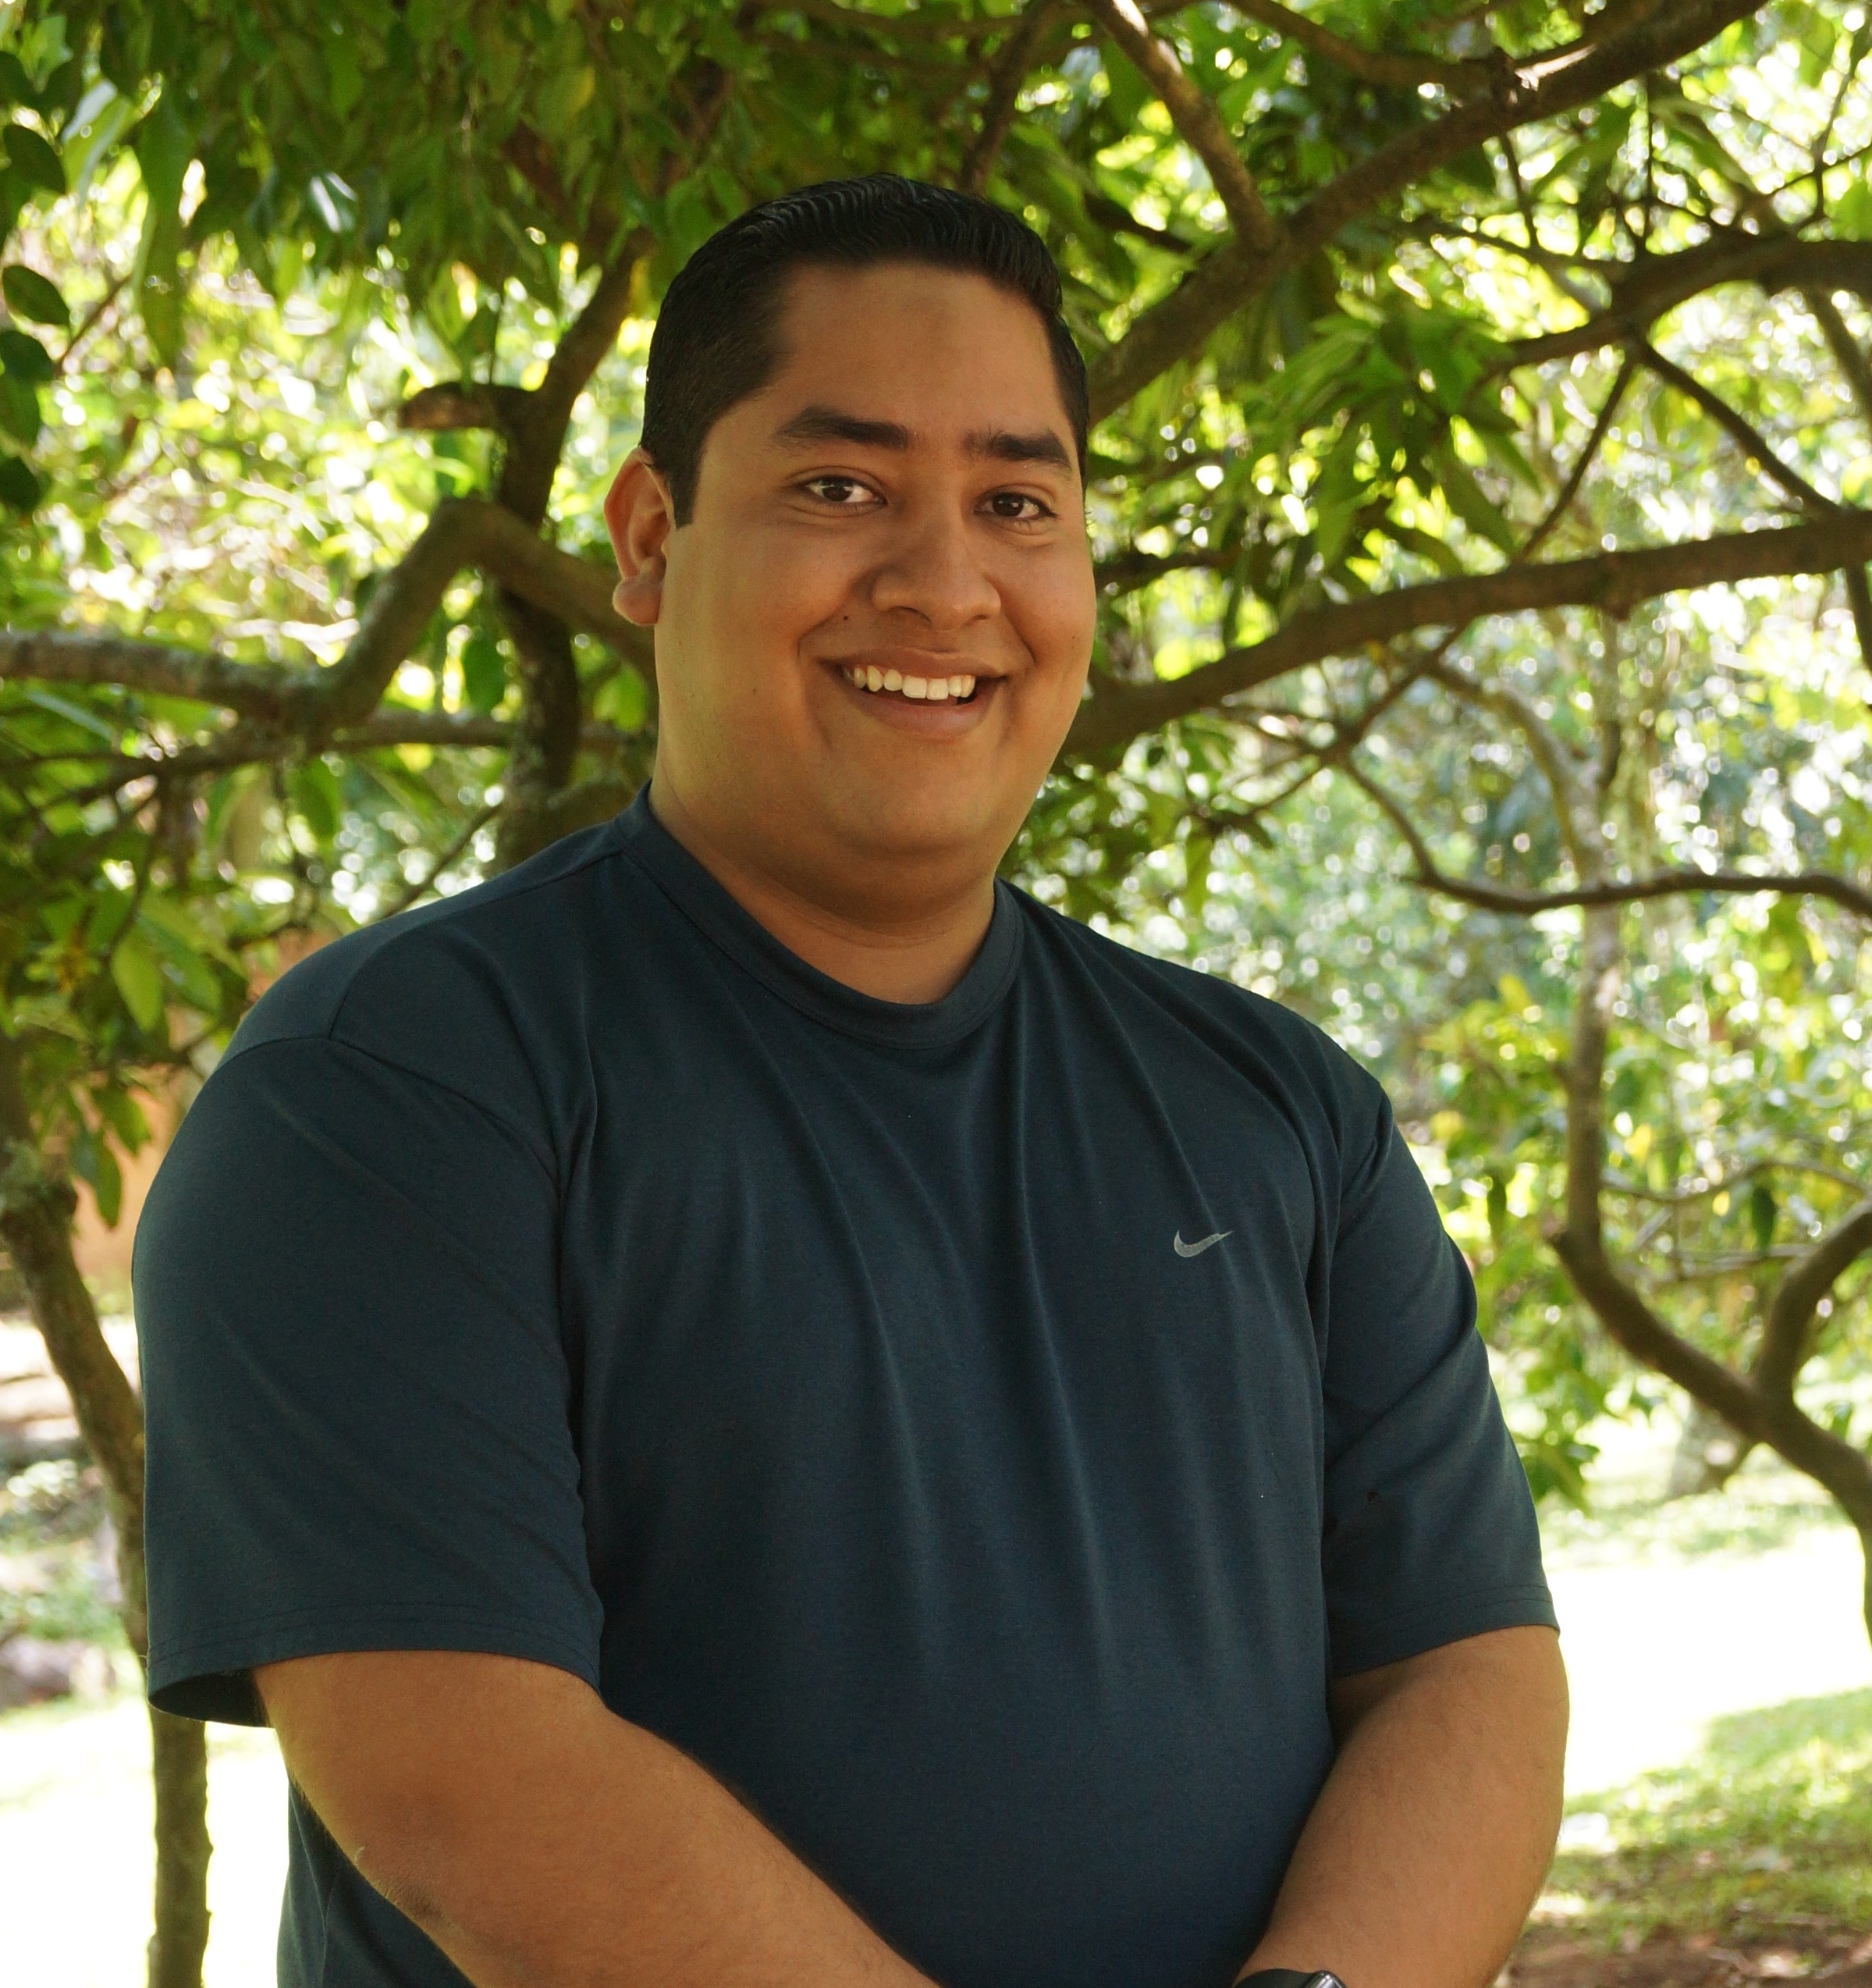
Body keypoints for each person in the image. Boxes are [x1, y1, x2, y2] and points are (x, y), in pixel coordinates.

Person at [135, 175, 1566, 1988]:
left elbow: (1463, 1665)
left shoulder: (1277, 1111)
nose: (942, 581)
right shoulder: (387, 1096)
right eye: (839, 487)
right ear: (648, 536)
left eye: (1015, 503)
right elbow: (465, 1789)